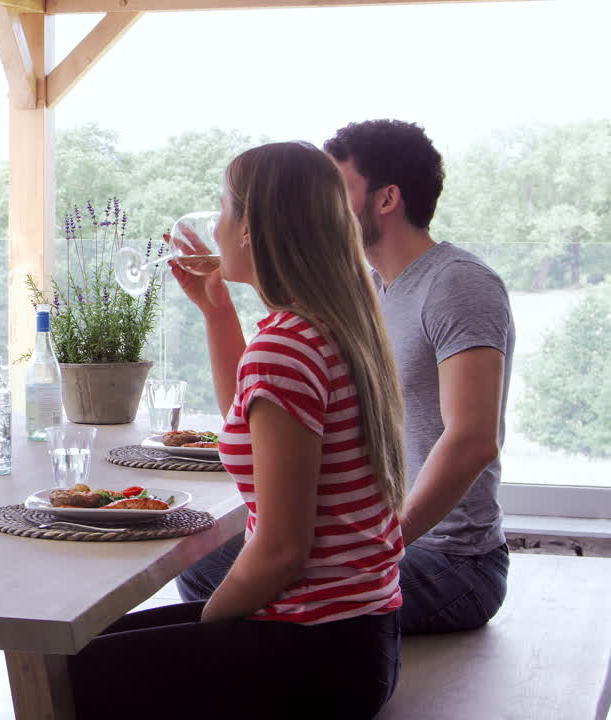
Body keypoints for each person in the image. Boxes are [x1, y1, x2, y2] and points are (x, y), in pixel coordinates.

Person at [67, 142, 406, 719]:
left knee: (69, 675)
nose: (215, 228)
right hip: (362, 637)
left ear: (252, 228)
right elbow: (246, 424)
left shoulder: (285, 347)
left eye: (223, 210)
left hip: (313, 652)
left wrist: (207, 626)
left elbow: (279, 551)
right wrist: (217, 312)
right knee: (90, 646)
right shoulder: (333, 325)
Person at [179, 120, 514, 636]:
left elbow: (473, 440)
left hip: (452, 559)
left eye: (335, 190)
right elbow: (253, 411)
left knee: (220, 575)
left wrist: (381, 543)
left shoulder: (457, 284)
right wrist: (219, 315)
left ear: (387, 200)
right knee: (202, 561)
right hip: (380, 549)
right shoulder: (361, 298)